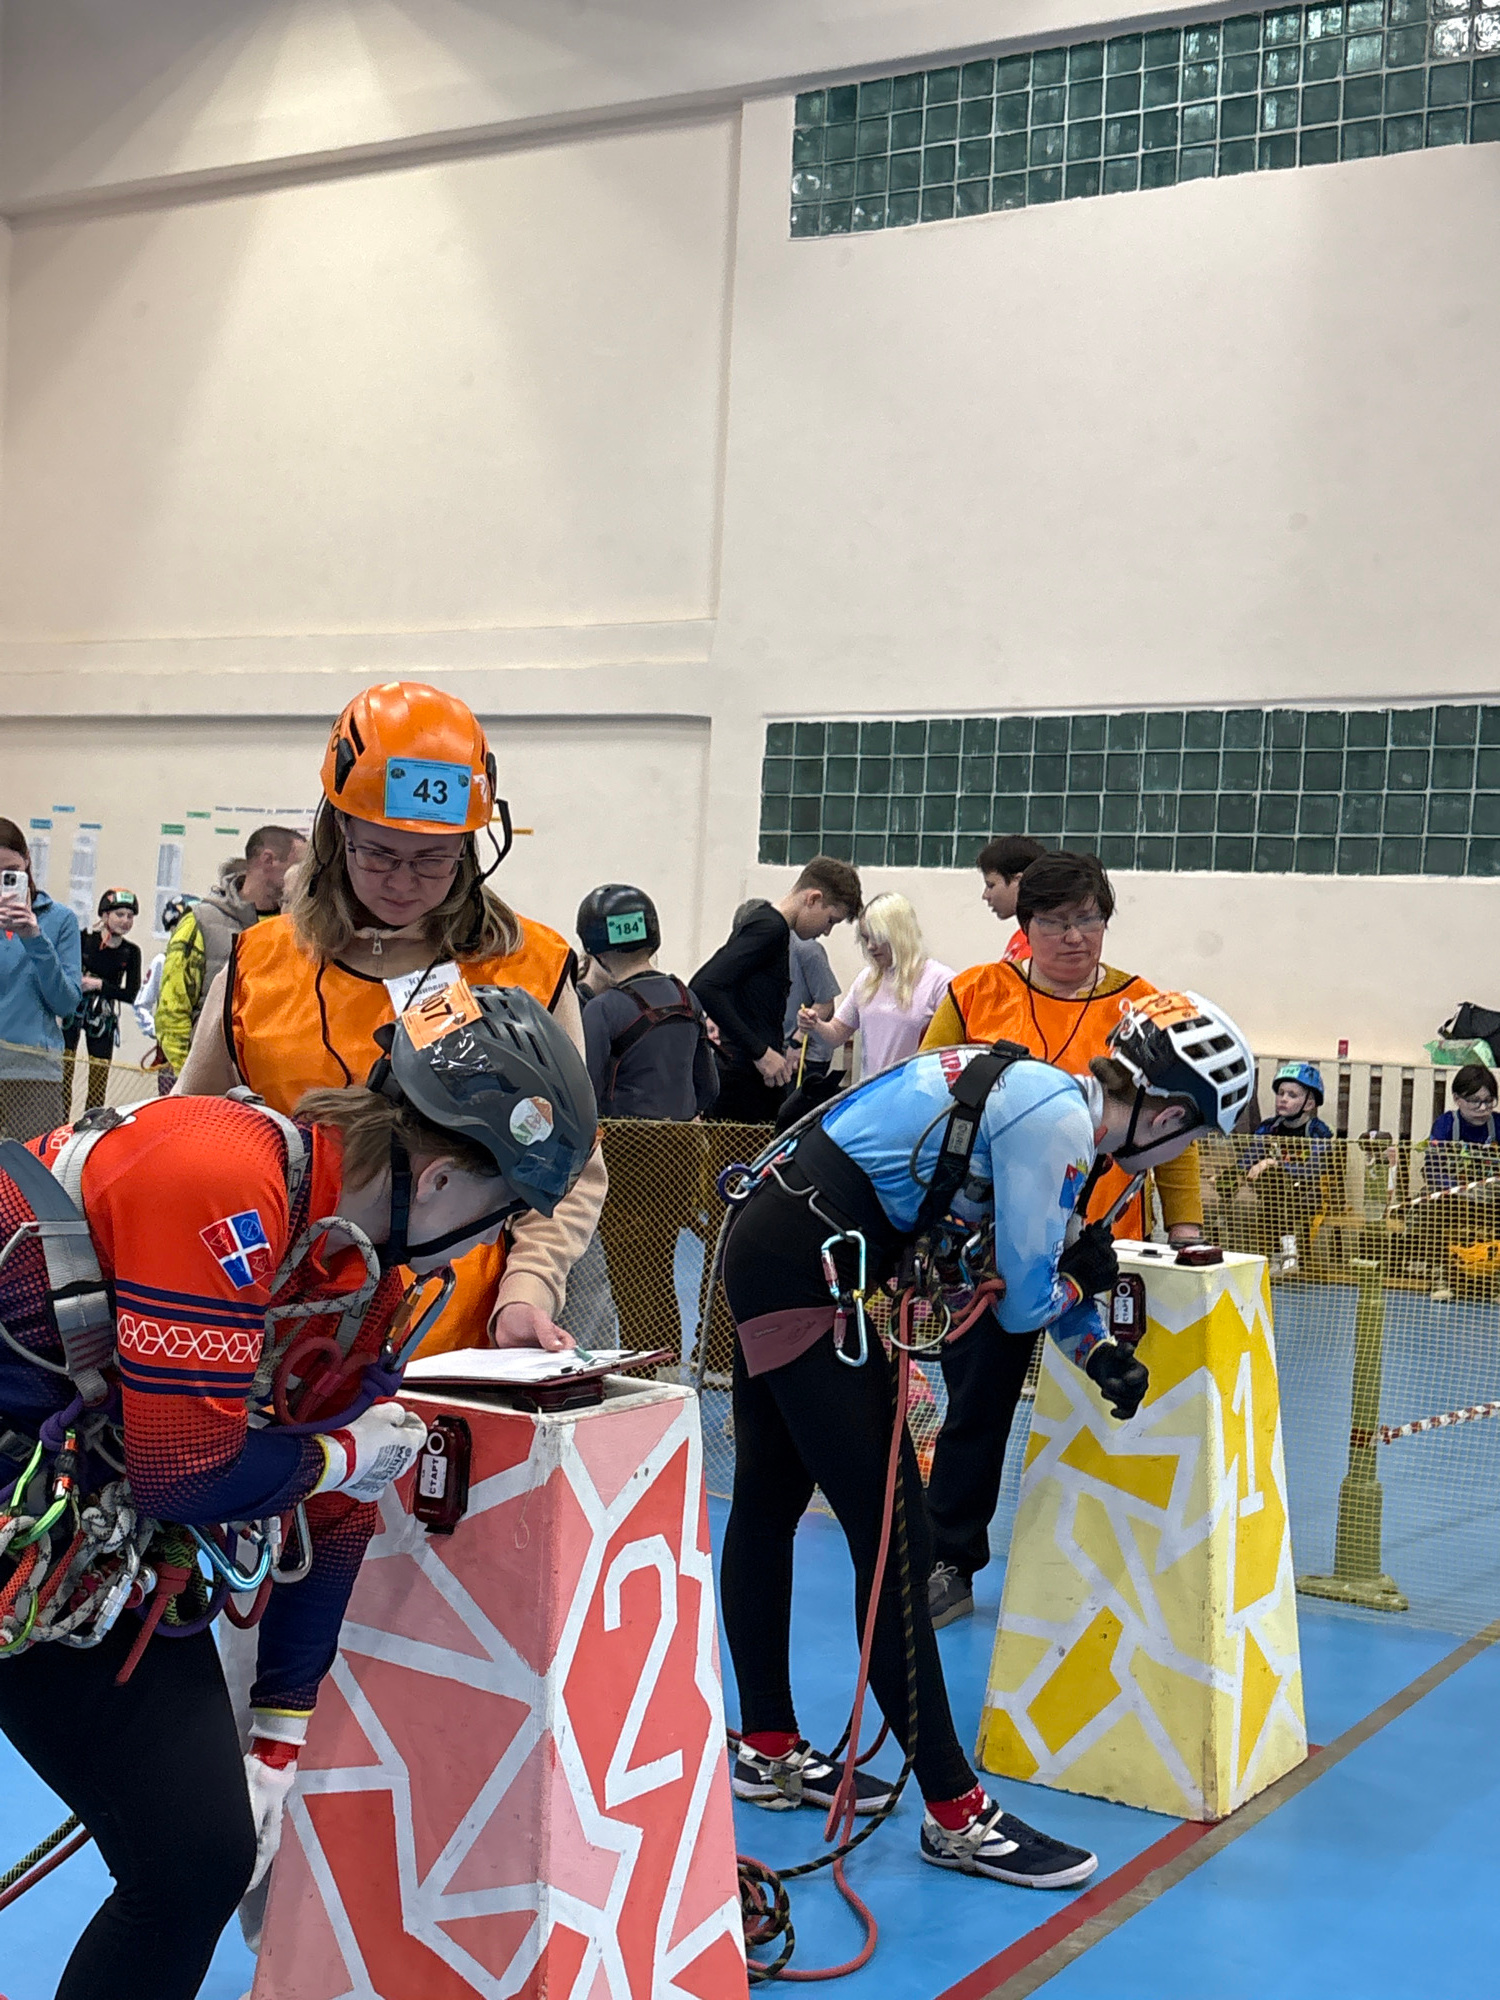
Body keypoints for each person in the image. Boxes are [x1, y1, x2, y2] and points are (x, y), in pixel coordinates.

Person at [0, 984, 597, 2000]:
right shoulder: (218, 1175)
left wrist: (276, 1736)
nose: (478, 1253)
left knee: (196, 1857)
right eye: (497, 1223)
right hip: (57, 1488)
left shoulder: (351, 1272)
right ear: (442, 1178)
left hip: (70, 1512)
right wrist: (335, 1456)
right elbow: (185, 1470)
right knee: (187, 1856)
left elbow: (338, 1509)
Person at [720, 990, 1254, 1885]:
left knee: (769, 1504)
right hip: (813, 1273)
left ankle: (768, 1748)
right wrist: (1080, 1300)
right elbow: (1024, 1297)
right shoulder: (1057, 1127)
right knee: (896, 1544)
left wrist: (1093, 1345)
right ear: (1166, 1116)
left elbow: (1018, 1265)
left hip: (780, 1244)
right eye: (1192, 1137)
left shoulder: (1050, 1101)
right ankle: (956, 1815)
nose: (1180, 1155)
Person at [173, 682, 603, 1358]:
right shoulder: (257, 967)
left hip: (454, 1344)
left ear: (470, 848)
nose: (403, 881)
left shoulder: (529, 970)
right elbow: (183, 1136)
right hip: (275, 1343)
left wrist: (529, 1290)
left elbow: (567, 1166)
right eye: (378, 853)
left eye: (433, 858)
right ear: (337, 831)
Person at [919, 851, 1204, 1629]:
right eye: (1056, 921)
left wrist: (1184, 1229)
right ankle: (949, 1559)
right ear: (1026, 925)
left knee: (1113, 1397)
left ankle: (1118, 1573)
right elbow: (929, 1099)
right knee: (976, 1407)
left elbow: (1178, 1124)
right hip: (987, 1251)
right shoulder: (974, 994)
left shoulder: (1145, 1009)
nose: (1075, 936)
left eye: (1090, 919)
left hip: (1101, 1248)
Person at [580, 884, 718, 1354]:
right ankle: (665, 1356)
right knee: (661, 1260)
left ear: (594, 950)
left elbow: (586, 1091)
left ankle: (639, 1364)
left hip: (626, 1155)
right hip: (679, 1153)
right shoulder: (687, 998)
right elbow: (708, 1089)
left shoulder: (603, 1009)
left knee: (626, 1267)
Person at [692, 857, 862, 1125]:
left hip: (755, 1078)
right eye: (830, 920)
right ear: (813, 898)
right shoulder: (769, 928)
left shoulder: (774, 930)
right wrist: (760, 1052)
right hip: (742, 1083)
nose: (827, 931)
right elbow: (705, 985)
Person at [154, 829, 306, 1084]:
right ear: (268, 860)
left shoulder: (297, 929)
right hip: (207, 1087)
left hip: (271, 1088)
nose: (305, 873)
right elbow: (172, 1011)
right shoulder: (201, 922)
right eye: (297, 864)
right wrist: (194, 1080)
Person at [798, 892, 954, 1078]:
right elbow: (836, 1034)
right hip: (873, 1090)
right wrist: (815, 1025)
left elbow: (954, 1049)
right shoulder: (866, 980)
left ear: (899, 934)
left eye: (878, 937)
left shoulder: (940, 982)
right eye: (866, 938)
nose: (871, 946)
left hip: (915, 1091)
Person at [0, 817, 82, 1142]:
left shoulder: (61, 920)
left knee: (32, 1169)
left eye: (10, 871)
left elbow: (66, 1003)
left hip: (34, 1074)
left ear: (27, 862)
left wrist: (34, 937)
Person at [1237, 1062, 1338, 1274]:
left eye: (1292, 1095)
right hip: (1272, 1193)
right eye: (1280, 1093)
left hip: (1307, 1192)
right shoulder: (1268, 1128)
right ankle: (1284, 1253)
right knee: (1274, 1193)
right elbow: (1246, 1161)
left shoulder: (1318, 1132)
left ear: (1309, 1103)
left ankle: (1286, 1253)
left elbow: (1314, 1169)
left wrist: (1274, 1163)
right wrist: (1232, 1175)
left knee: (1279, 1191)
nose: (1283, 1099)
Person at [62, 888, 143, 1113]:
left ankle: (91, 1125)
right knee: (64, 1072)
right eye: (120, 914)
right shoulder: (83, 939)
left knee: (98, 1079)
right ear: (105, 915)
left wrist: (99, 985)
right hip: (73, 1011)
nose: (125, 921)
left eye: (130, 916)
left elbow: (132, 994)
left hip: (103, 1018)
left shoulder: (130, 952)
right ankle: (60, 1122)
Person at [977, 835, 1048, 966]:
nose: (985, 895)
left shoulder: (1043, 944)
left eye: (991, 885)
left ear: (1019, 881)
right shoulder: (1021, 937)